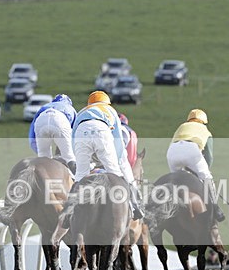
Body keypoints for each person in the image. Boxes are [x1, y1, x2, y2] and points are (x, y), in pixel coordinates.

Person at [69, 91, 143, 221]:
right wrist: (119, 159)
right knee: (114, 173)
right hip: (102, 130)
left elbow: (73, 136)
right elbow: (117, 139)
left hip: (81, 132)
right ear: (106, 102)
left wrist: (79, 157)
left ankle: (69, 210)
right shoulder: (110, 110)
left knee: (80, 175)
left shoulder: (82, 111)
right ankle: (133, 207)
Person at [167, 108, 225, 223]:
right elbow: (209, 156)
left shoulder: (182, 126)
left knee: (174, 181)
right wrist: (202, 171)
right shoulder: (205, 130)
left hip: (172, 152)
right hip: (191, 150)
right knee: (207, 177)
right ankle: (215, 208)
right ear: (203, 121)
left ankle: (170, 207)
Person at [28, 93, 77, 172]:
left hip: (42, 119)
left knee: (44, 157)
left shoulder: (44, 106)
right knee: (68, 156)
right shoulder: (71, 109)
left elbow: (32, 135)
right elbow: (75, 135)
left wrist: (38, 150)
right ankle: (77, 180)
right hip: (60, 120)